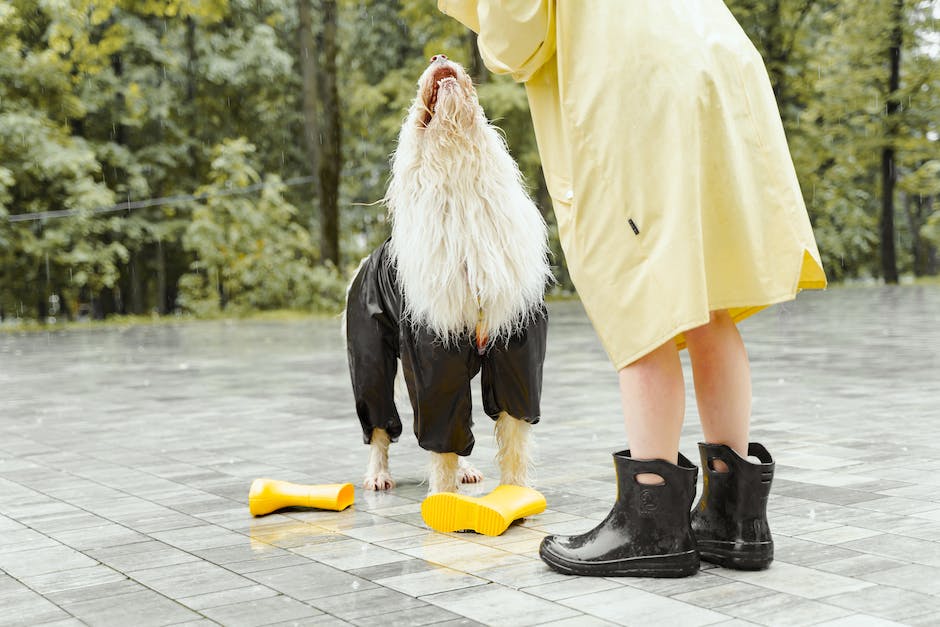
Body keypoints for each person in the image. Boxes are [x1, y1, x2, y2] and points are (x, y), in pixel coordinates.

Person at [438, 0, 827, 577]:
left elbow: (517, 36)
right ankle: (734, 521)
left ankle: (652, 527)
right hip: (713, 57)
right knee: (705, 299)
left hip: (637, 86)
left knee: (643, 295)